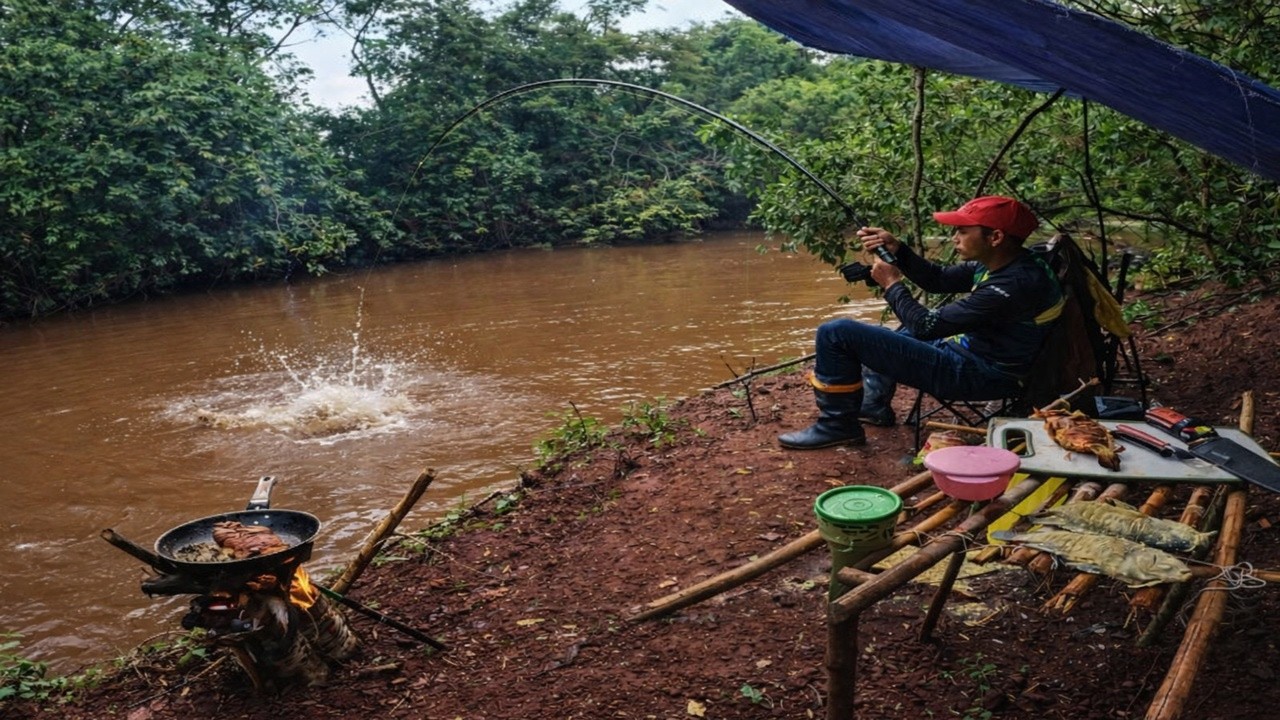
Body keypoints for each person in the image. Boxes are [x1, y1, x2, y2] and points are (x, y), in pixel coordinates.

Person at [778, 195, 1064, 450]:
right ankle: (874, 406)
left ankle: (837, 427)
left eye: (962, 231)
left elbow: (925, 326)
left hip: (979, 374)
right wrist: (899, 250)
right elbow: (937, 279)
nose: (954, 237)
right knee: (893, 332)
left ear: (996, 237)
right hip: (972, 354)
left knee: (836, 333)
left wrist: (891, 284)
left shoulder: (1013, 284)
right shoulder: (1007, 263)